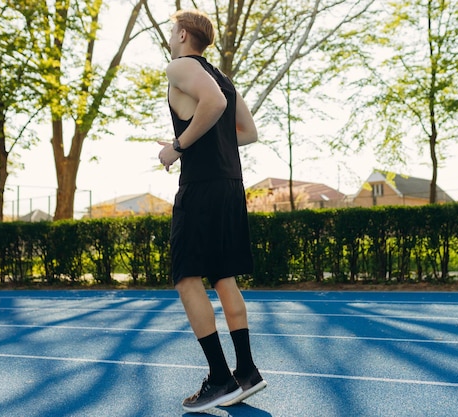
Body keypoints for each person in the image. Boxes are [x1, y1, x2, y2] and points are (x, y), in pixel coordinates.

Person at [157, 9, 267, 413]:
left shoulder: (180, 67)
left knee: (186, 278)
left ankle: (220, 378)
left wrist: (178, 146)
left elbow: (214, 103)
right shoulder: (221, 76)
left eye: (173, 31)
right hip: (229, 185)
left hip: (202, 187)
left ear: (184, 35)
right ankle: (247, 372)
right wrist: (204, 140)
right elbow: (248, 133)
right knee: (223, 277)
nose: (171, 37)